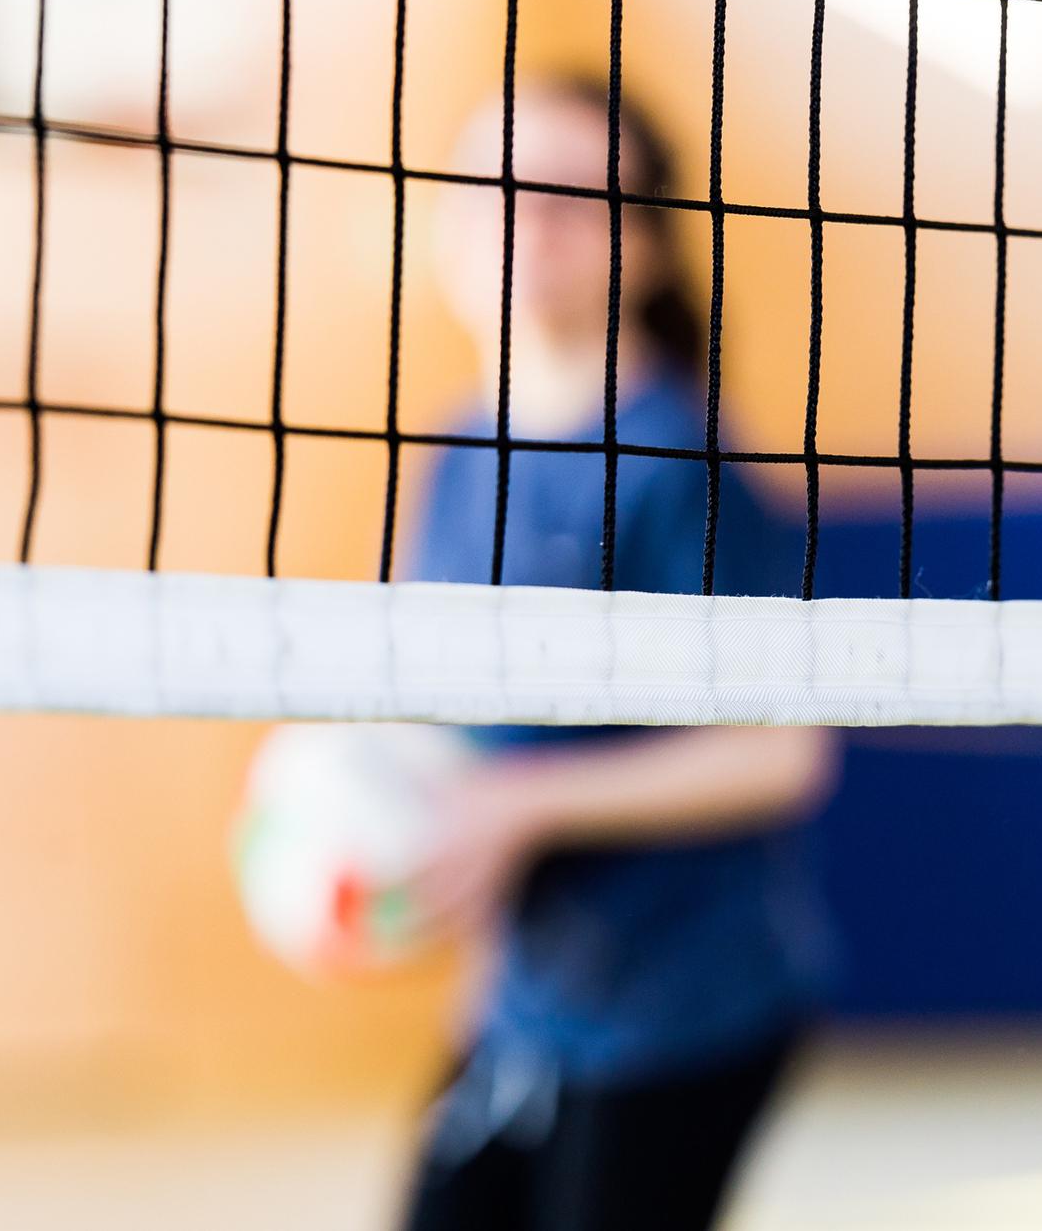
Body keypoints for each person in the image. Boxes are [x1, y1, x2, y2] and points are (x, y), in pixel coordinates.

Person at [399, 81, 839, 1231]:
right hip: (524, 1003)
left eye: (566, 195)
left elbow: (780, 756)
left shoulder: (676, 461)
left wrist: (520, 806)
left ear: (641, 246)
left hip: (680, 1004)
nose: (519, 219)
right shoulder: (456, 448)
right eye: (491, 186)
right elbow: (449, 725)